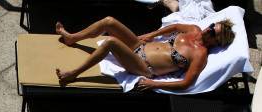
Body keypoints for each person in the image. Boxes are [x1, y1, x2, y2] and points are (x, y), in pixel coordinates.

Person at [53, 16, 235, 90]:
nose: (208, 29)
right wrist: (152, 34)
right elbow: (174, 27)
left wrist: (154, 84)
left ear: (215, 42)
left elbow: (187, 83)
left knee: (111, 42)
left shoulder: (200, 54)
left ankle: (73, 75)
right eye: (212, 26)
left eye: (213, 32)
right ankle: (72, 38)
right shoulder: (194, 29)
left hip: (144, 66)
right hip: (139, 46)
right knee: (109, 21)